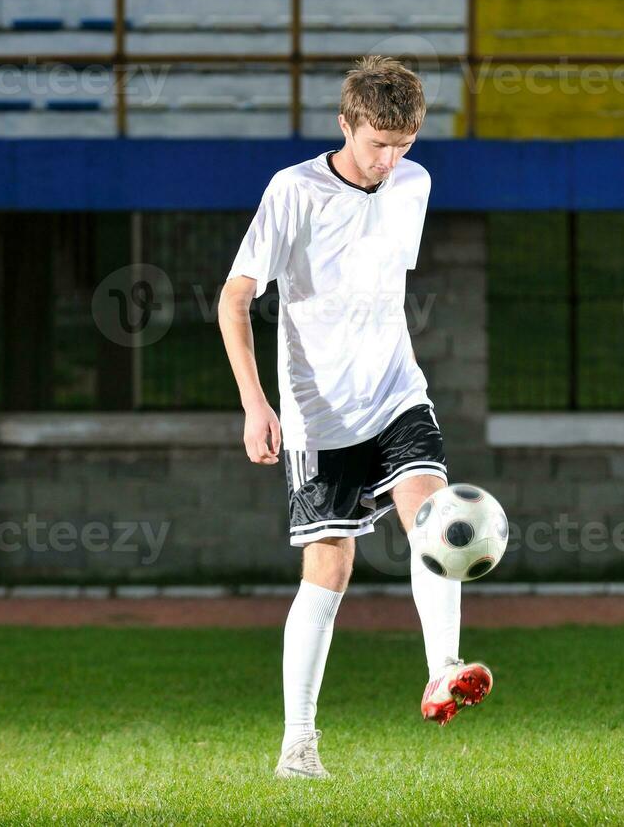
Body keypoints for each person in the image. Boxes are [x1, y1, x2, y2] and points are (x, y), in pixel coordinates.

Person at [217, 55, 492, 780]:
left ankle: (443, 668)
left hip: (395, 388)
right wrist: (254, 402)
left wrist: (399, 166)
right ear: (345, 124)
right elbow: (234, 297)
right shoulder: (293, 191)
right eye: (376, 142)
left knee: (431, 517)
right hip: (318, 411)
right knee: (329, 568)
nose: (389, 159)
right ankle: (297, 745)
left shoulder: (414, 181)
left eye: (403, 143)